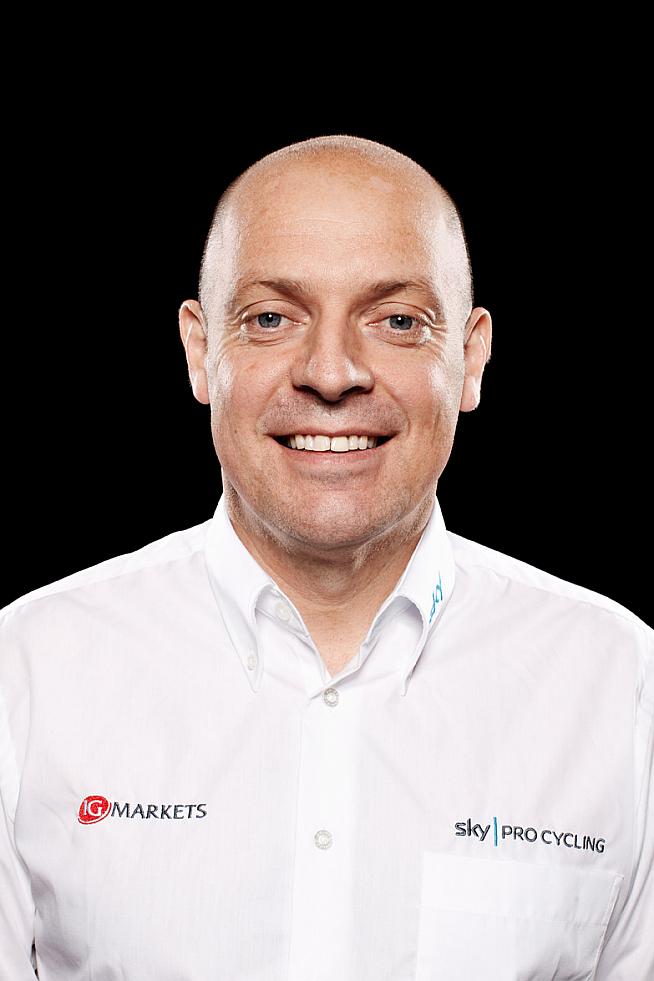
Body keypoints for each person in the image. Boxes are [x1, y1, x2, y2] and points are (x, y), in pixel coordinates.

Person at [0, 134, 651, 980]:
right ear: (201, 350)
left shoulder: (624, 686)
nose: (332, 373)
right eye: (272, 317)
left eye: (397, 321)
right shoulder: (26, 671)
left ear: (471, 358)